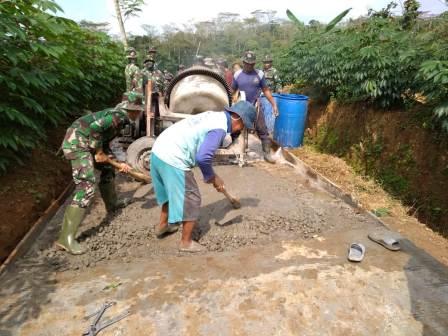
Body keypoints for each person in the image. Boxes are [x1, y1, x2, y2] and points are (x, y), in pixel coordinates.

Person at [150, 101, 256, 252]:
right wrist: (211, 177)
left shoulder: (214, 116)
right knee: (192, 198)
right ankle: (186, 243)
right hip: (173, 157)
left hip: (158, 151)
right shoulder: (219, 128)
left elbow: (201, 152)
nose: (240, 131)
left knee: (169, 193)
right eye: (243, 127)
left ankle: (162, 226)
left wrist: (212, 176)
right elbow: (203, 158)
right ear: (238, 119)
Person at [56, 92, 143, 255]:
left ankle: (112, 204)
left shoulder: (121, 119)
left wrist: (117, 161)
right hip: (77, 144)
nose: (139, 113)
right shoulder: (118, 117)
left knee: (108, 169)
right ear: (132, 109)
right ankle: (65, 239)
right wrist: (98, 151)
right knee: (86, 186)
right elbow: (95, 128)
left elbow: (105, 137)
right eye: (138, 110)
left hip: (87, 143)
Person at [231, 51, 278, 163]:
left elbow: (266, 90)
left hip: (255, 106)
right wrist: (230, 104)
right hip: (241, 107)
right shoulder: (237, 75)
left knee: (263, 130)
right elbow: (232, 91)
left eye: (252, 64)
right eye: (247, 63)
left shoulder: (259, 74)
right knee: (234, 130)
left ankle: (267, 154)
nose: (250, 66)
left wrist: (274, 104)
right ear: (243, 62)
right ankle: (235, 151)